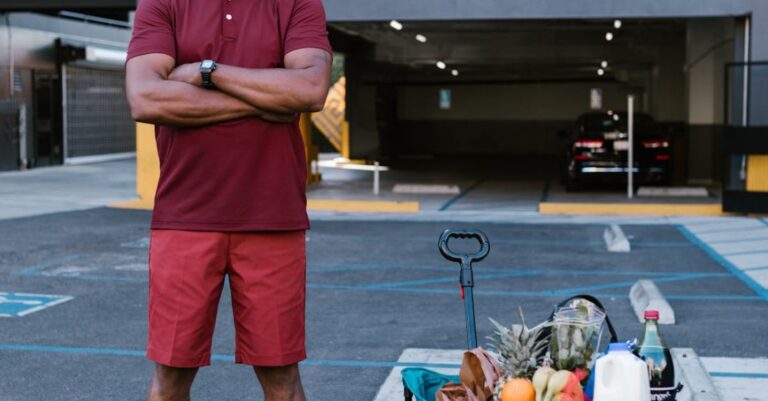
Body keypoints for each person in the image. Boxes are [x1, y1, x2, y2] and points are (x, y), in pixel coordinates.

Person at [124, 0, 332, 399]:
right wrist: (267, 98)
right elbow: (146, 98)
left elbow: (309, 89)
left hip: (273, 217)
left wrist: (206, 73)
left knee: (282, 380)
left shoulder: (296, 3)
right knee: (170, 378)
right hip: (184, 217)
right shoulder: (162, 3)